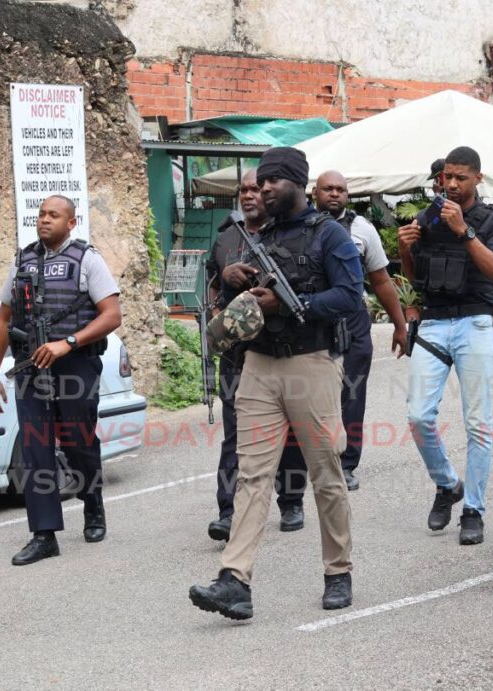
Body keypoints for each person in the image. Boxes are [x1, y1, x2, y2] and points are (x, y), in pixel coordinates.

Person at [189, 147, 363, 620]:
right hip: (260, 367)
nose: (263, 189)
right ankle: (234, 581)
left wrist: (285, 304)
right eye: (260, 182)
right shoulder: (252, 237)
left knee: (326, 475)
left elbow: (349, 297)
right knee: (252, 475)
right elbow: (238, 298)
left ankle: (338, 571)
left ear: (297, 184)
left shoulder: (330, 235)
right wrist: (231, 280)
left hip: (311, 364)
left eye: (273, 182)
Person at [0, 195, 122, 565]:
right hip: (30, 365)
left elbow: (111, 315)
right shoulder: (22, 260)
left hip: (74, 366)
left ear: (71, 222)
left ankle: (92, 500)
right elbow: (2, 319)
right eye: (41, 214)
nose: (45, 220)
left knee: (78, 442)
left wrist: (68, 343)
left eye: (54, 215)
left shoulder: (86, 259)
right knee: (35, 448)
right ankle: (43, 533)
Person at [397, 146, 493, 545]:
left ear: (478, 178)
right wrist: (404, 247)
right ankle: (447, 483)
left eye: (460, 177)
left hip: (475, 320)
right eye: (447, 176)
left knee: (478, 423)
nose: (451, 184)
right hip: (433, 320)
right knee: (417, 416)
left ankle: (474, 509)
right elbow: (414, 277)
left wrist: (465, 231)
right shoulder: (429, 216)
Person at [203, 169, 308, 541]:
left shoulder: (291, 232)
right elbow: (212, 289)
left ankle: (291, 499)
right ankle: (228, 512)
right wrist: (225, 280)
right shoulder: (226, 236)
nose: (249, 195)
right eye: (243, 190)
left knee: (291, 428)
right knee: (235, 431)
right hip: (237, 350)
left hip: (281, 347)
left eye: (255, 189)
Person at [311, 169, 407, 491]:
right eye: (328, 189)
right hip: (313, 324)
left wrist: (400, 325)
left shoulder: (362, 229)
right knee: (312, 398)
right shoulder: (300, 227)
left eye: (340, 189)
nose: (334, 194)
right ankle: (312, 463)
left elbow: (381, 280)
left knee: (351, 398)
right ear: (315, 193)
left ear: (347, 195)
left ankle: (347, 464)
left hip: (353, 324)